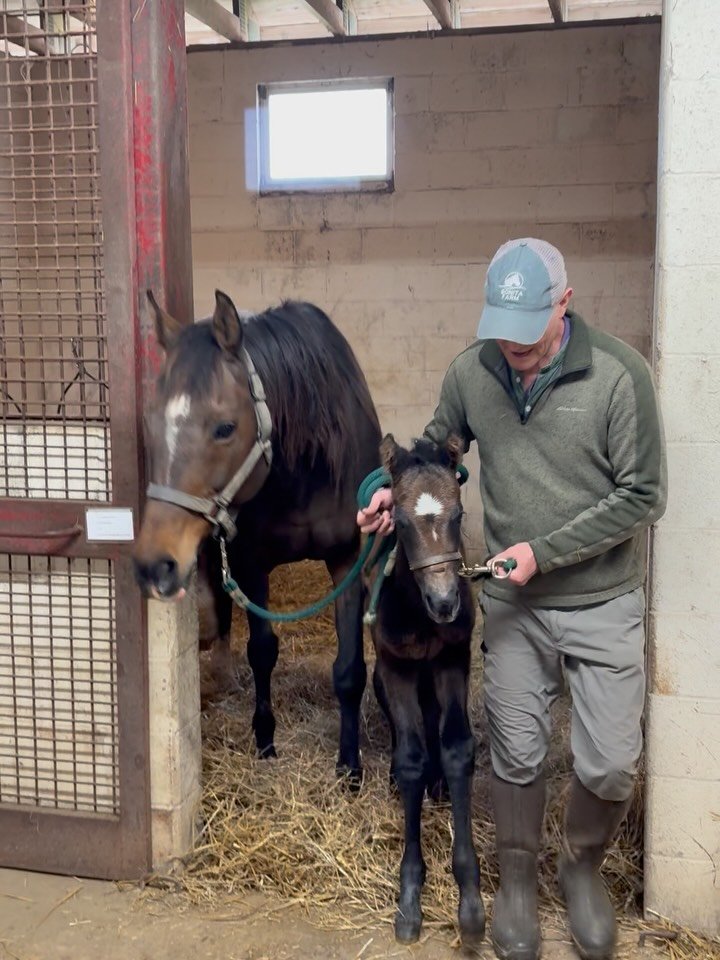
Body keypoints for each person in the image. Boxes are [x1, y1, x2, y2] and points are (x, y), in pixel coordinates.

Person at [357, 238, 667, 960]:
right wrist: (380, 494)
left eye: (528, 334)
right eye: (502, 332)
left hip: (599, 597)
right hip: (514, 606)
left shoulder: (620, 376)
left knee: (609, 763)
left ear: (565, 303)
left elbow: (644, 495)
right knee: (517, 752)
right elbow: (429, 453)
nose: (514, 350)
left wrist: (544, 553)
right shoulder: (474, 371)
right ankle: (519, 885)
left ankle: (581, 870)